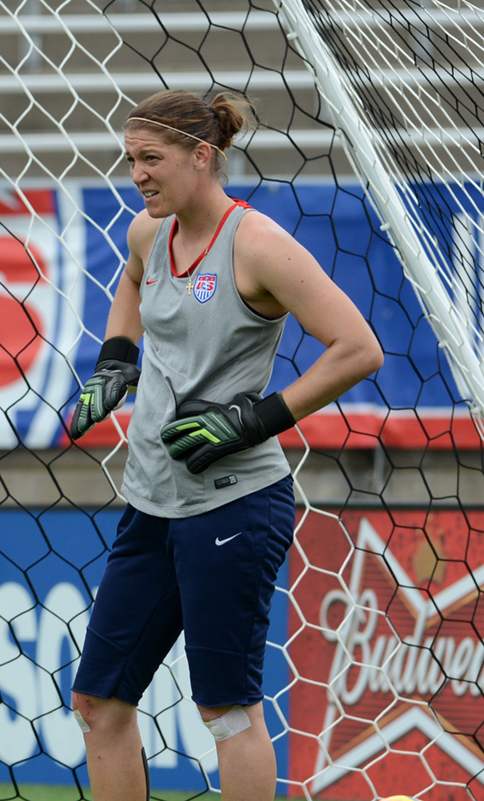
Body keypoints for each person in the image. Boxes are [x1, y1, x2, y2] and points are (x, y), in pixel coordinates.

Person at [67, 90, 383, 801]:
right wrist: (117, 356)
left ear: (201, 156)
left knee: (225, 709)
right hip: (151, 504)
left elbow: (359, 349)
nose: (137, 174)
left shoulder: (260, 245)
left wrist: (252, 420)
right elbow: (132, 279)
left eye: (152, 158)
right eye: (130, 160)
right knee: (98, 704)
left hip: (236, 506)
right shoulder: (149, 235)